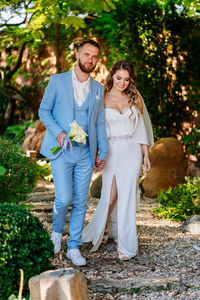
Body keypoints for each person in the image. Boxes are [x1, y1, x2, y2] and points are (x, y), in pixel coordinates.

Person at [39, 40, 108, 266]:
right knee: (64, 198)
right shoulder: (57, 81)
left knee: (81, 201)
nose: (90, 59)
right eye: (87, 54)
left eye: (94, 56)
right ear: (78, 54)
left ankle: (74, 247)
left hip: (86, 154)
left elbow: (99, 122)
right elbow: (44, 111)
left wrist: (102, 152)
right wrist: (58, 132)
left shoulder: (98, 89)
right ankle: (57, 233)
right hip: (62, 151)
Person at [82, 60, 154, 260]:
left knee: (128, 197)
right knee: (110, 196)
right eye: (119, 78)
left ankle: (126, 245)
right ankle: (102, 227)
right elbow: (97, 130)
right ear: (112, 76)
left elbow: (140, 129)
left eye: (126, 79)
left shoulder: (134, 98)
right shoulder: (102, 98)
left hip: (132, 152)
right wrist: (97, 154)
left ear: (130, 80)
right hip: (111, 151)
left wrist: (146, 155)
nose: (122, 83)